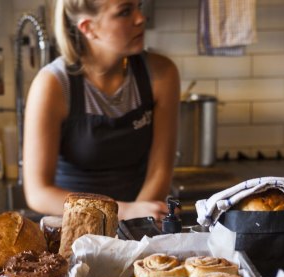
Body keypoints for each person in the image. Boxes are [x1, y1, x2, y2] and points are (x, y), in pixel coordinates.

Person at [23, 0, 179, 221]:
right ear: (89, 28)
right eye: (125, 12)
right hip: (76, 230)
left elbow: (160, 171)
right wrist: (121, 211)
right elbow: (39, 193)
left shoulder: (161, 74)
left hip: (139, 225)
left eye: (139, 7)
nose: (140, 18)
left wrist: (137, 220)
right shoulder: (53, 85)